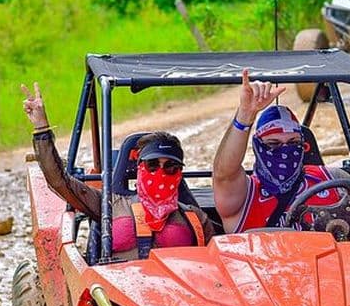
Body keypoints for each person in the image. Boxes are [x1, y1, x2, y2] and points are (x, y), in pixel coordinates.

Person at [21, 82, 214, 260]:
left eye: (170, 167)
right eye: (152, 165)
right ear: (139, 167)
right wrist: (41, 129)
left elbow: (216, 266)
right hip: (116, 293)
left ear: (179, 173)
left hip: (177, 293)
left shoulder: (194, 217)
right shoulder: (110, 205)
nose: (161, 173)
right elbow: (59, 182)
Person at [211, 70, 350, 239]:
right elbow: (223, 174)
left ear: (304, 146)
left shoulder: (334, 180)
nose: (285, 151)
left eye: (293, 143)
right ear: (257, 147)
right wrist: (245, 115)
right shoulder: (243, 195)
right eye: (273, 144)